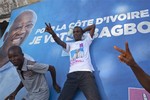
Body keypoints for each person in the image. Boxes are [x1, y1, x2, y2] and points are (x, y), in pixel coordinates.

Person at [45, 23, 101, 100]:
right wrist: (53, 33)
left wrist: (83, 31)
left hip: (86, 74)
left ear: (81, 33)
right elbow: (59, 42)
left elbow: (93, 26)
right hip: (72, 76)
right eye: (74, 32)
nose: (75, 33)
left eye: (77, 31)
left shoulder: (86, 42)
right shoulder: (70, 45)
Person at [0, 10, 37, 99]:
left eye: (28, 26)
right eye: (18, 27)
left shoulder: (29, 64)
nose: (22, 31)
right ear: (5, 36)